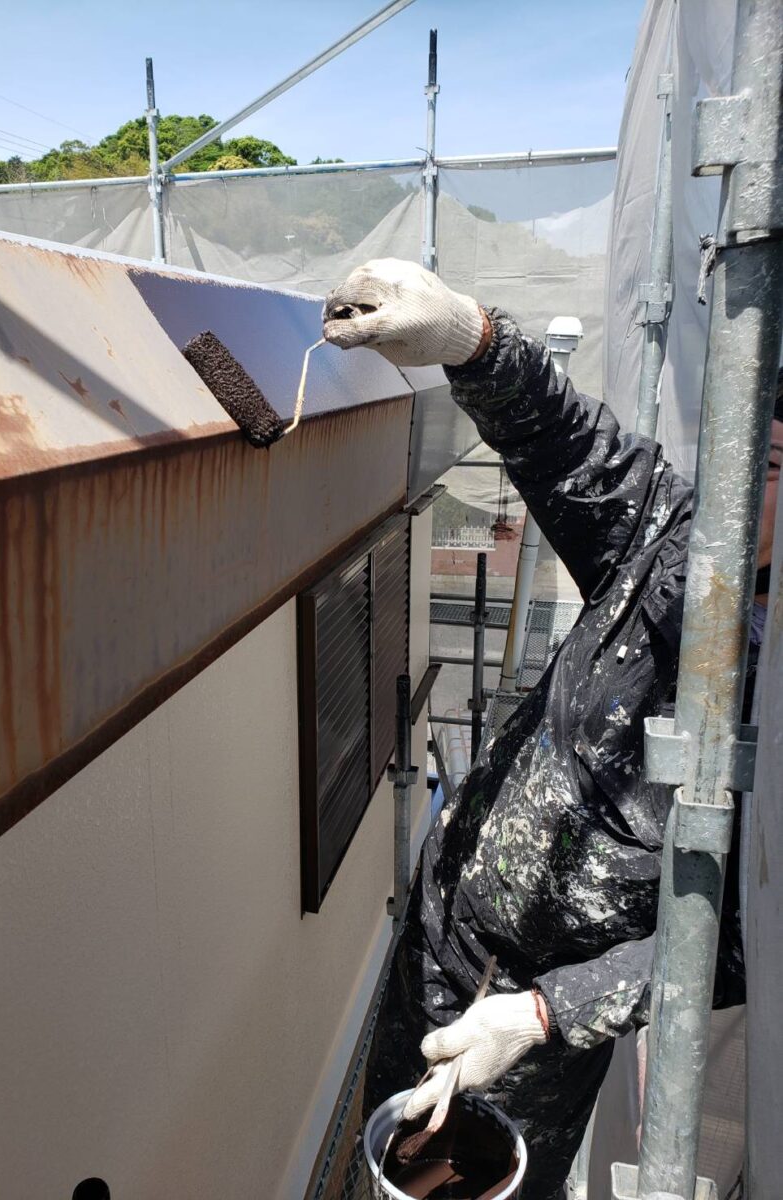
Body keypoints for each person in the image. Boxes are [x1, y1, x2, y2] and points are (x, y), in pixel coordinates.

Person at [322, 259, 783, 1200]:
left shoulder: (770, 692)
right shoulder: (673, 541)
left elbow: (749, 939)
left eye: (774, 472)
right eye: (757, 461)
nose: (750, 498)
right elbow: (570, 446)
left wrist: (544, 1015)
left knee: (488, 1181)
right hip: (441, 935)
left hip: (536, 1035)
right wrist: (474, 340)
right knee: (389, 1147)